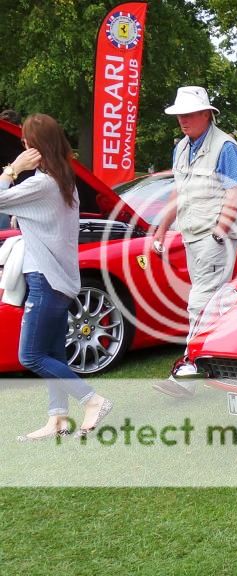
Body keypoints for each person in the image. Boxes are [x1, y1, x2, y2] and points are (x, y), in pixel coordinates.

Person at [0, 114, 113, 440]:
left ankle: (92, 400)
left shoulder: (41, 184)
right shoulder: (64, 181)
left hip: (44, 280)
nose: (22, 145)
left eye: (25, 141)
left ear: (34, 146)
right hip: (59, 280)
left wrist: (11, 170)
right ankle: (58, 419)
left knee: (31, 355)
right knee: (52, 354)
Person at [152, 86, 237, 397]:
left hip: (214, 238)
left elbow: (234, 195)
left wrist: (219, 231)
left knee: (199, 302)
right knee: (217, 302)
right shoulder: (181, 148)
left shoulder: (226, 147)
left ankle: (187, 372)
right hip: (192, 235)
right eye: (180, 114)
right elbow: (178, 193)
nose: (183, 119)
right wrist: (162, 227)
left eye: (189, 113)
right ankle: (232, 360)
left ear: (207, 114)